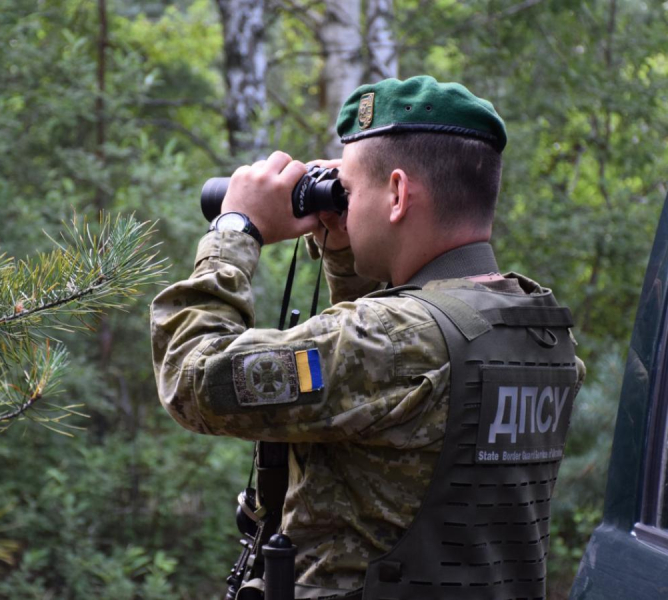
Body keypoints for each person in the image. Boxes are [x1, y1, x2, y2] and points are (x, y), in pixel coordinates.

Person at [150, 76, 586, 599]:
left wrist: (234, 230)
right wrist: (343, 250)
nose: (344, 205)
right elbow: (376, 391)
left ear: (398, 193)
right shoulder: (536, 331)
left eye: (349, 191)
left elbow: (191, 377)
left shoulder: (391, 341)